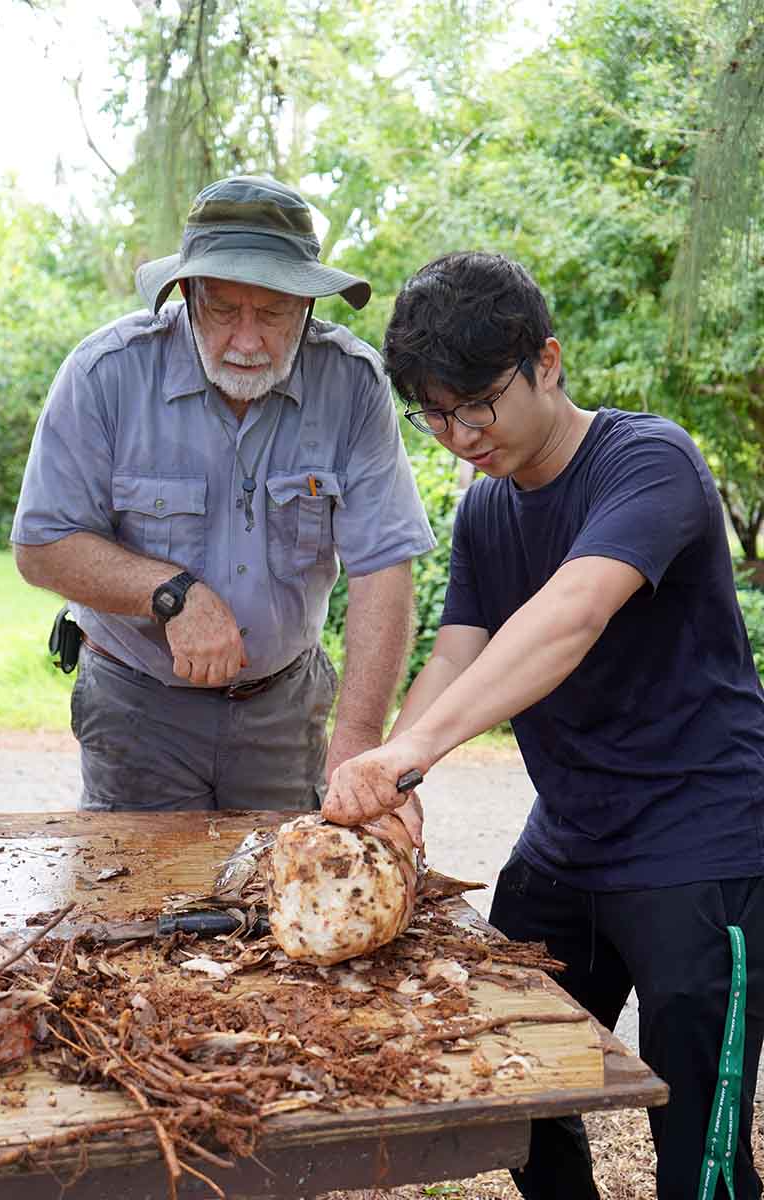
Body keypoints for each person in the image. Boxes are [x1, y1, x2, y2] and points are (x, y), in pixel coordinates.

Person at [322, 251, 764, 1199]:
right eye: (433, 414)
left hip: (701, 850)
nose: (457, 435)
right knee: (517, 1097)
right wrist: (394, 775)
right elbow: (457, 656)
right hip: (566, 849)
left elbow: (568, 617)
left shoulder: (649, 462)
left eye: (475, 404)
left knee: (702, 1147)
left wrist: (408, 752)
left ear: (548, 361)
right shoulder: (486, 507)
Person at [11, 175, 435, 813]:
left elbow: (383, 565)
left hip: (286, 713)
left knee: (289, 899)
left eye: (271, 313)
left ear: (308, 305)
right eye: (222, 310)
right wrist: (173, 595)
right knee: (134, 904)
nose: (245, 340)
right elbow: (41, 547)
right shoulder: (105, 374)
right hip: (137, 711)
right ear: (186, 293)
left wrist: (356, 745)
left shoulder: (353, 383)